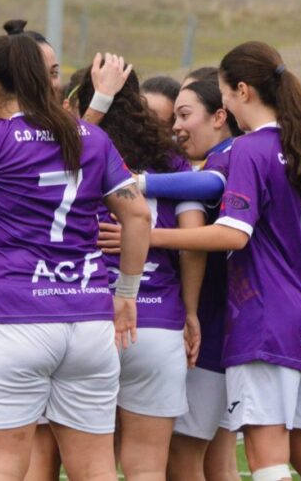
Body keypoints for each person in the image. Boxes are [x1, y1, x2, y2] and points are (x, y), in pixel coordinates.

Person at [0, 32, 150, 480]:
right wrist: (127, 293)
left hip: (14, 319)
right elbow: (137, 215)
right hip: (88, 320)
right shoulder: (90, 137)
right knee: (97, 471)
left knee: (3, 468)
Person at [136, 41, 301, 481]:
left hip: (265, 320)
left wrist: (148, 233)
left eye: (223, 98)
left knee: (266, 457)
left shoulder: (248, 150)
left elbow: (233, 234)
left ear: (241, 93)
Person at [78, 62, 206, 480]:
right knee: (147, 466)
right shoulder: (173, 162)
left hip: (90, 320)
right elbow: (193, 245)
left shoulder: (84, 150)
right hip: (158, 324)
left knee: (92, 466)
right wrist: (190, 312)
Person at [164, 79, 242, 481]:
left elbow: (210, 187)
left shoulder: (227, 161)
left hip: (214, 326)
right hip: (237, 325)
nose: (175, 127)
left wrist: (136, 183)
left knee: (183, 451)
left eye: (183, 114)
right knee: (219, 458)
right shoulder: (242, 154)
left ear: (219, 116)